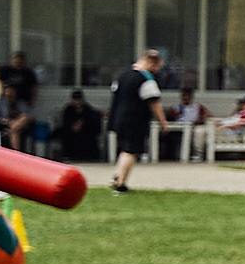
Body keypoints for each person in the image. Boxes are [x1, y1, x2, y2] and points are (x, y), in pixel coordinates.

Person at [106, 49, 166, 192]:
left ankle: (118, 176)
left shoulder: (122, 75)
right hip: (134, 120)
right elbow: (154, 103)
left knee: (125, 149)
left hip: (118, 119)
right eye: (157, 67)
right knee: (131, 151)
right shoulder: (146, 80)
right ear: (151, 62)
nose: (157, 71)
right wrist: (163, 122)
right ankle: (121, 183)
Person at [1, 50, 37, 150]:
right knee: (15, 132)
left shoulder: (21, 102)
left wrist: (32, 100)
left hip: (17, 122)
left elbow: (29, 116)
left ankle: (8, 132)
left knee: (24, 119)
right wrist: (7, 121)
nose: (9, 92)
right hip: (7, 122)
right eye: (7, 89)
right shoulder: (1, 102)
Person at [57, 90, 104, 162]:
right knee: (66, 135)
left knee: (87, 137)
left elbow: (92, 121)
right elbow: (66, 121)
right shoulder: (69, 109)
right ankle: (69, 154)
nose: (77, 102)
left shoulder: (88, 109)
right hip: (71, 131)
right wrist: (73, 125)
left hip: (85, 131)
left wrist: (82, 124)